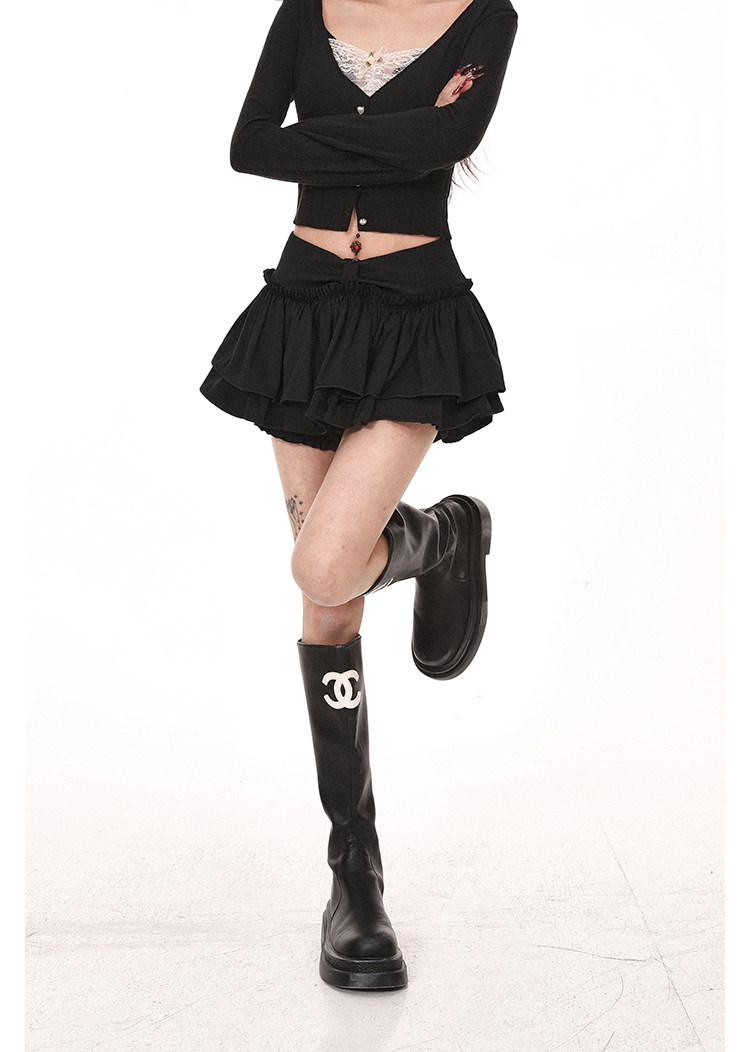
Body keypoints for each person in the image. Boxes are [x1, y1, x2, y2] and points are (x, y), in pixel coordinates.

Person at [199, 0, 519, 990]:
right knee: (327, 600)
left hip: (415, 317)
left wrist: (334, 141)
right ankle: (356, 879)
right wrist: (406, 136)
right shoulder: (307, 9)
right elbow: (251, 147)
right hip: (301, 315)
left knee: (325, 560)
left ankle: (439, 535)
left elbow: (450, 141)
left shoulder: (484, 17)